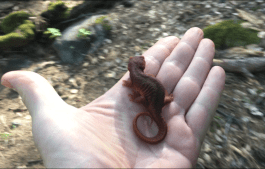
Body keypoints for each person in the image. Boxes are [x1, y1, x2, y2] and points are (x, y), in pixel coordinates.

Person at [1, 27, 225, 168]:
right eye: (139, 62)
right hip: (158, 102)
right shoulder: (139, 78)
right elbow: (140, 89)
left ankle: (158, 104)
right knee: (156, 98)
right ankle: (162, 101)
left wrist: (139, 100)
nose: (140, 63)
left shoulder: (133, 79)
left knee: (149, 99)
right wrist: (163, 99)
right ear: (139, 67)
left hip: (154, 103)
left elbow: (137, 92)